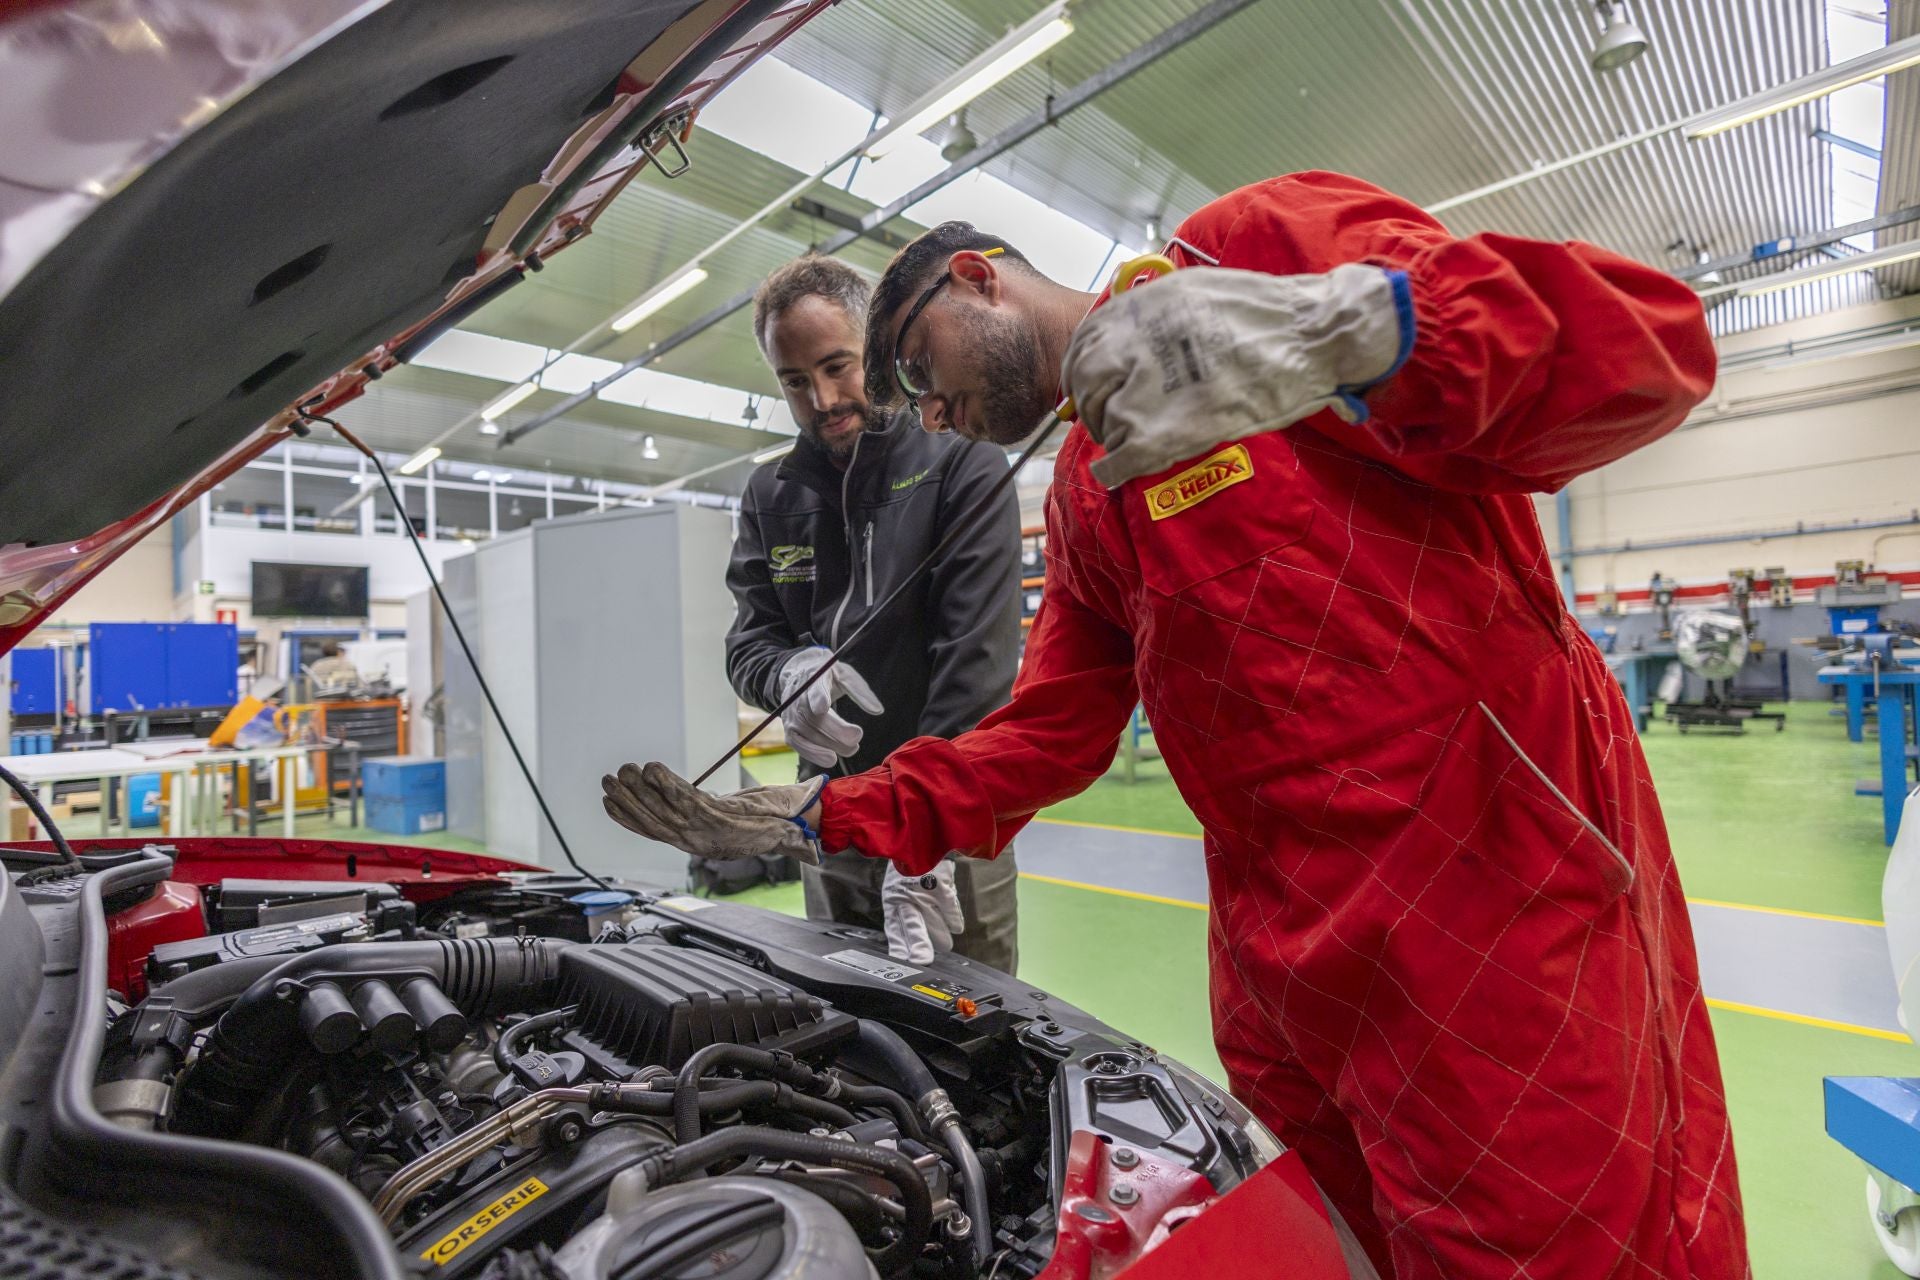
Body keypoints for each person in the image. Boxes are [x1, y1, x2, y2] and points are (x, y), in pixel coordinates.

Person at [603, 171, 1747, 1278]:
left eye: (920, 366)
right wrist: (828, 812)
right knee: (1348, 1246)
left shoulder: (1245, 253)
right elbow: (1047, 733)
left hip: (1491, 927)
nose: (935, 413)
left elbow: (1651, 348)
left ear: (979, 280)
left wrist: (1354, 330)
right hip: (1287, 976)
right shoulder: (1087, 491)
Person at [719, 253, 1023, 972]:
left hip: (950, 824)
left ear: (880, 349)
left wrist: (926, 839)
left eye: (837, 366)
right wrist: (789, 671)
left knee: (971, 1033)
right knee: (847, 1035)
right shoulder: (772, 493)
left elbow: (975, 670)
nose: (822, 400)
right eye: (795, 381)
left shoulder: (963, 461)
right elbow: (748, 643)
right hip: (831, 820)